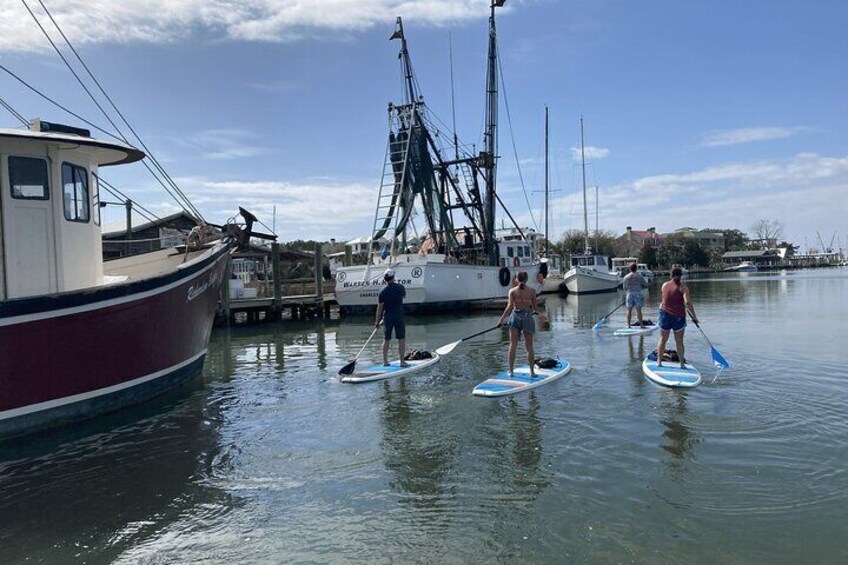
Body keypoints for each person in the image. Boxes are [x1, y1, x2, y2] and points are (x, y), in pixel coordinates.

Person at [496, 271, 541, 377]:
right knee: (529, 346)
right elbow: (535, 308)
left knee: (513, 345)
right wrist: (539, 314)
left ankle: (511, 371)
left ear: (517, 279)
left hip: (515, 317)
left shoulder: (512, 291)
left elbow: (509, 307)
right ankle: (532, 372)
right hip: (527, 318)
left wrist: (501, 320)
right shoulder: (532, 291)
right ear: (527, 279)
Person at [655, 266, 699, 369]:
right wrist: (694, 317)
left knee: (663, 339)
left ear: (671, 275)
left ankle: (659, 362)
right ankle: (682, 365)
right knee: (679, 341)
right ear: (681, 276)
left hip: (664, 315)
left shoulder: (664, 285)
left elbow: (664, 299)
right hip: (678, 317)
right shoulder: (683, 287)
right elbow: (687, 302)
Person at [375, 268, 408, 367]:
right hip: (399, 315)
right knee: (401, 339)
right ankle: (402, 361)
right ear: (393, 277)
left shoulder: (382, 291)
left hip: (388, 316)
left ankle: (385, 361)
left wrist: (377, 321)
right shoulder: (401, 288)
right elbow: (403, 297)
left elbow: (380, 307)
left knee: (386, 339)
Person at [622, 262, 649, 327]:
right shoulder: (639, 276)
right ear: (636, 268)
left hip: (629, 294)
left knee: (629, 310)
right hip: (638, 294)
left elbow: (624, 287)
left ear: (629, 269)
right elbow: (645, 284)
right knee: (638, 310)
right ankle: (641, 325)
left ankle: (628, 325)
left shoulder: (626, 277)